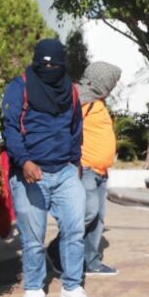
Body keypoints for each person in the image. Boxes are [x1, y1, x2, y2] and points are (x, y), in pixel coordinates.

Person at [2, 39, 90, 297]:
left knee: (75, 230)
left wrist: (75, 162)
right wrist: (24, 161)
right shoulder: (19, 87)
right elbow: (10, 128)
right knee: (33, 237)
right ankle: (33, 286)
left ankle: (72, 286)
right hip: (30, 172)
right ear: (36, 61)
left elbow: (76, 127)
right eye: (44, 63)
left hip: (64, 171)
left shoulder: (71, 91)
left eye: (55, 63)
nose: (49, 67)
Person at [48, 62, 122, 276]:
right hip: (85, 169)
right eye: (111, 82)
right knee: (86, 213)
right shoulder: (78, 99)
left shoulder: (97, 101)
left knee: (97, 218)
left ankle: (91, 262)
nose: (112, 87)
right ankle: (57, 250)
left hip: (101, 170)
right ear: (102, 80)